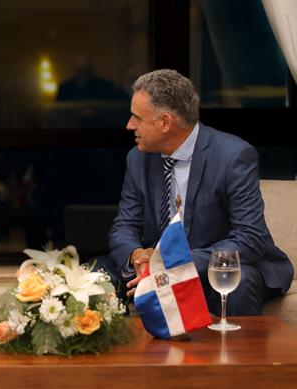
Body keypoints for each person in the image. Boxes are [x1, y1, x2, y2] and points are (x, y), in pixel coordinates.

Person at [102, 69, 293, 316]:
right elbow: (123, 226)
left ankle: (238, 354)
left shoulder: (233, 156)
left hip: (211, 265)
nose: (129, 125)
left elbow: (250, 237)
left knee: (239, 283)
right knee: (97, 273)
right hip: (158, 268)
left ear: (165, 122)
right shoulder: (138, 158)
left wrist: (174, 261)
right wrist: (138, 256)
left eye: (137, 117)